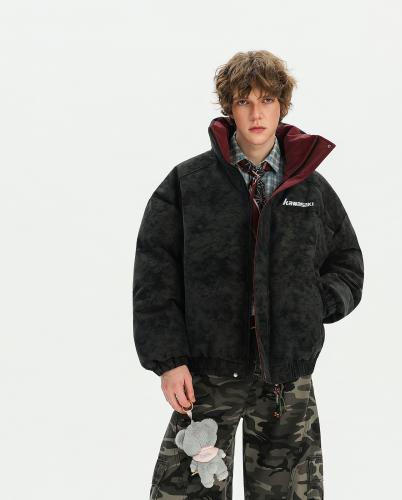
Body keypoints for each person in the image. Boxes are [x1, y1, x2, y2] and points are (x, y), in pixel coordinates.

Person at [133, 49, 364, 499]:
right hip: (207, 374)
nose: (257, 114)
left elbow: (348, 264)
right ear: (230, 108)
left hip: (286, 380)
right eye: (244, 101)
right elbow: (154, 276)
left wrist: (311, 304)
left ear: (282, 106)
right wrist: (169, 360)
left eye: (267, 100)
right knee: (187, 490)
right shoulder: (188, 184)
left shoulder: (310, 188)